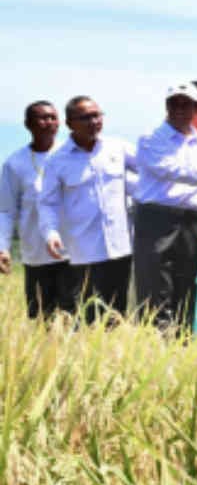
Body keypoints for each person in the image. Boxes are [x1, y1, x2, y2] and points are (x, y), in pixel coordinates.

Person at [134, 84, 197, 332]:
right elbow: (168, 169)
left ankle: (183, 342)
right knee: (156, 283)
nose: (179, 109)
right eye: (174, 104)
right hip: (157, 218)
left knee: (187, 282)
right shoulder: (150, 138)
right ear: (166, 107)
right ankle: (155, 345)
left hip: (192, 220)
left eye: (185, 104)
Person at [38, 96, 138, 322]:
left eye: (97, 115)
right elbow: (47, 203)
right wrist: (51, 233)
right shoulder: (57, 161)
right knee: (90, 315)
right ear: (70, 123)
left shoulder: (118, 148)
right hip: (85, 252)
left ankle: (119, 354)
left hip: (122, 247)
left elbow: (152, 172)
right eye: (86, 117)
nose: (94, 121)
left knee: (122, 313)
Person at [0, 101, 68, 318]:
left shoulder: (71, 153)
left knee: (75, 319)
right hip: (36, 254)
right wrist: (3, 247)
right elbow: (6, 210)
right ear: (28, 124)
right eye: (43, 118)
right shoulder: (15, 163)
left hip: (74, 252)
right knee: (41, 318)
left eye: (53, 117)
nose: (49, 123)